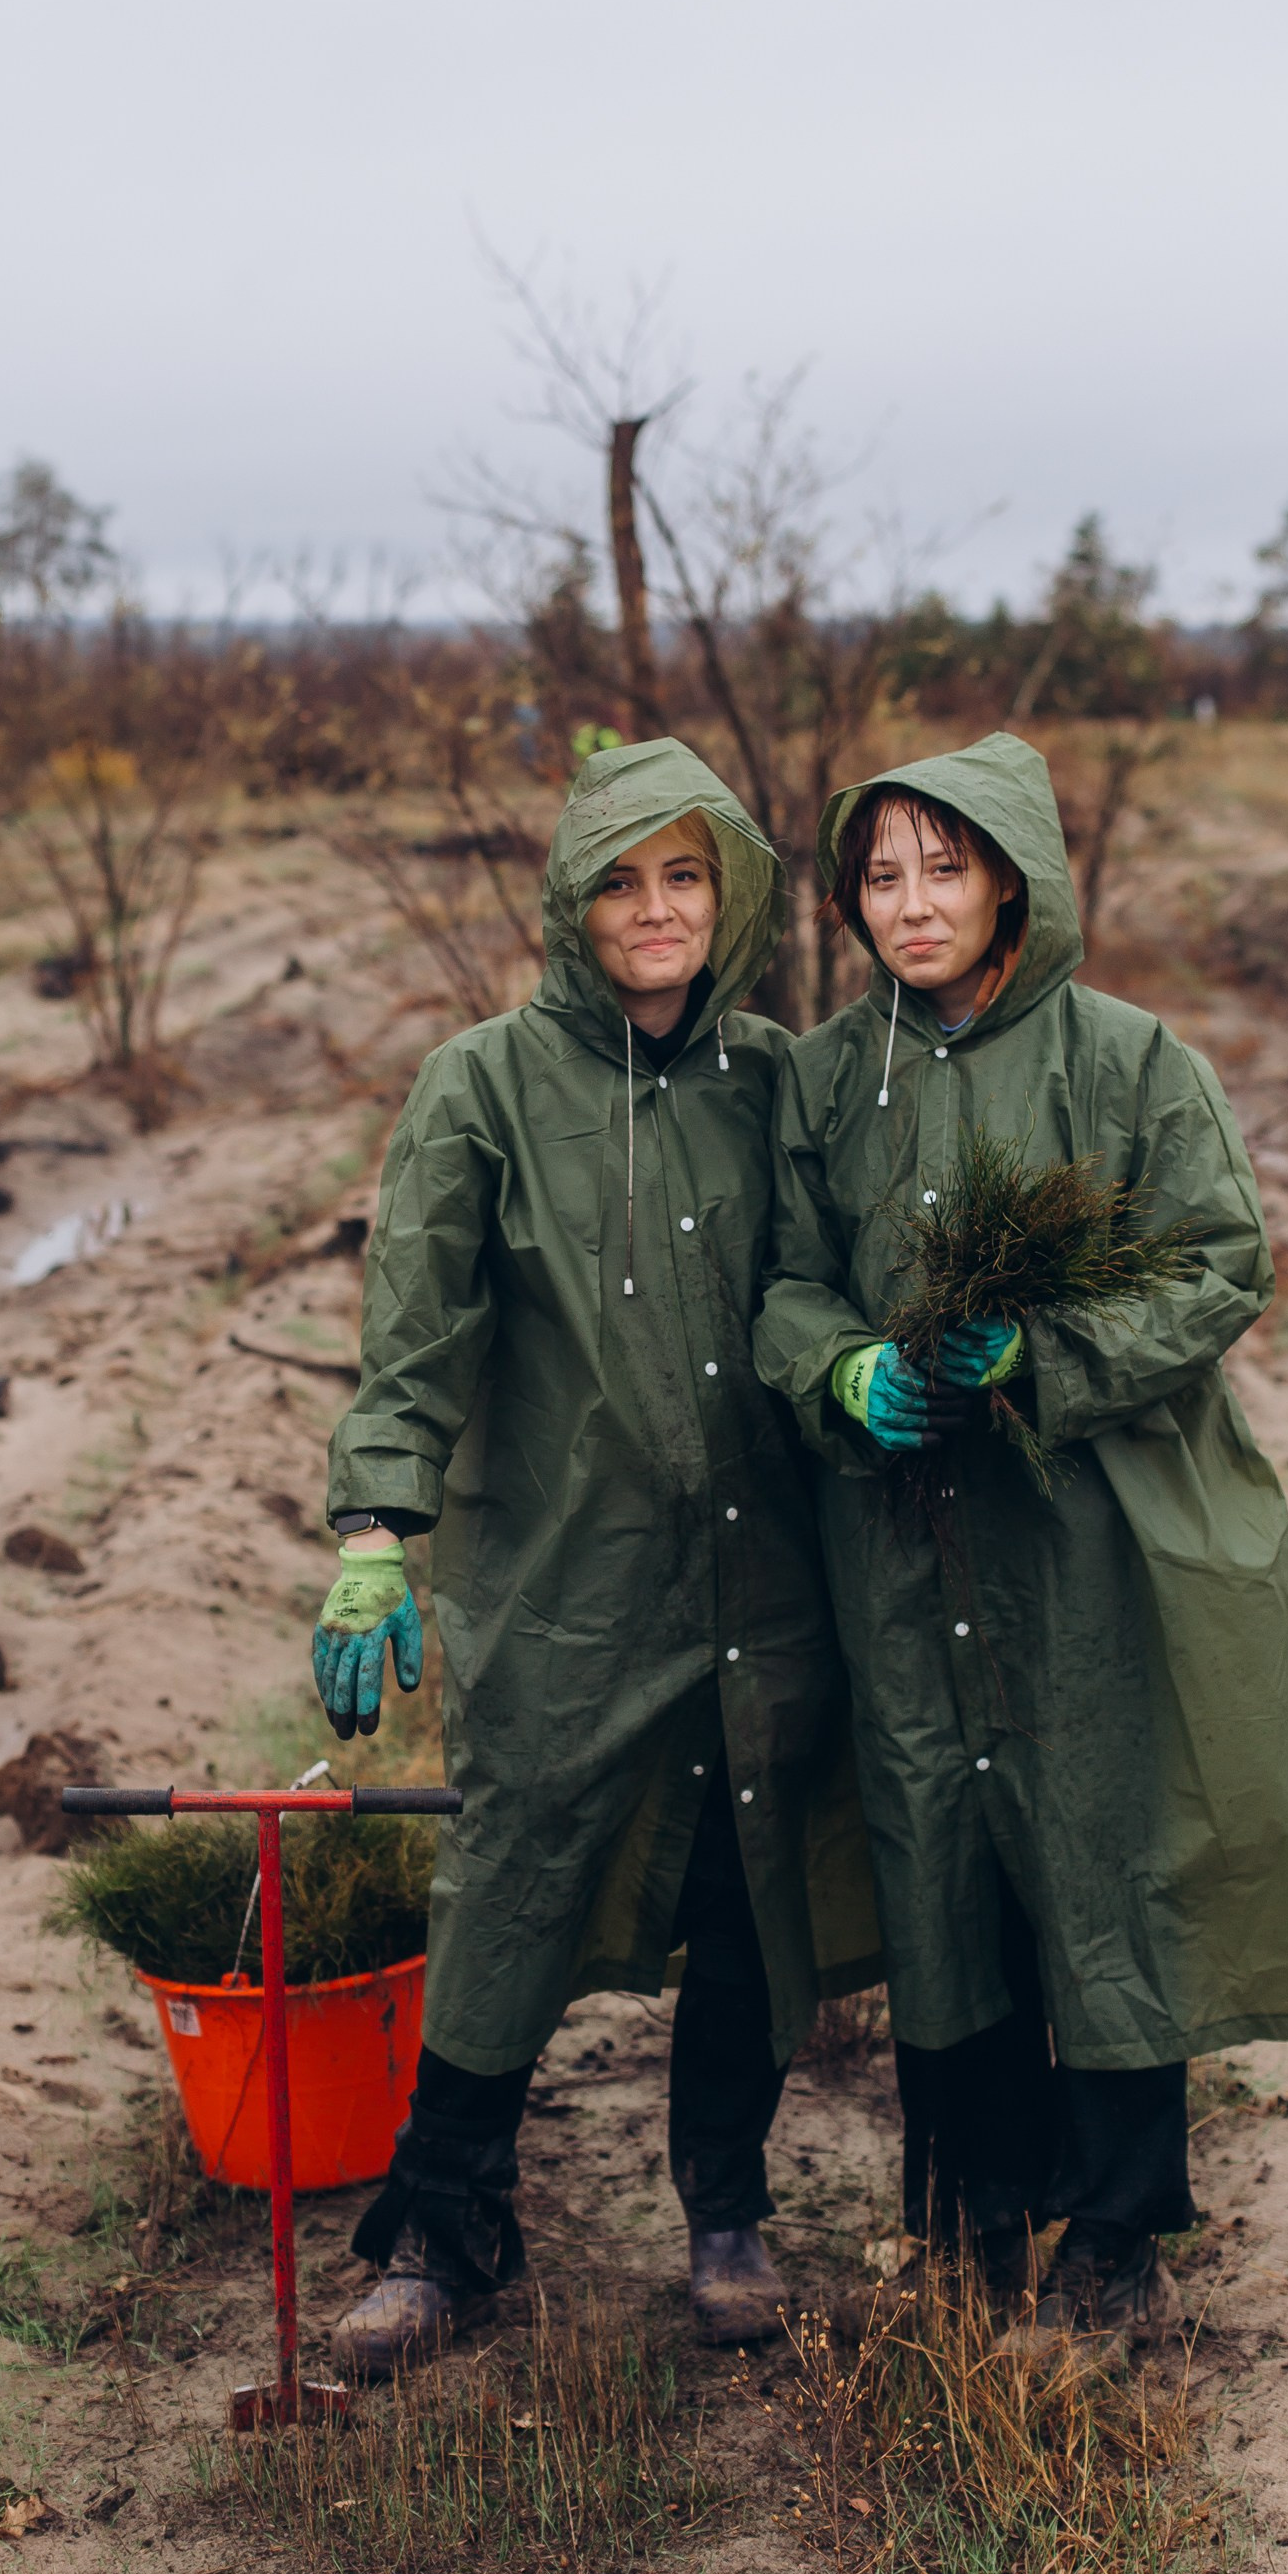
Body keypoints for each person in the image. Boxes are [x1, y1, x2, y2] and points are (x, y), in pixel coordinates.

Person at [753, 732, 1288, 2351]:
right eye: (881, 874)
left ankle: (1114, 2233)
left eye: (943, 865)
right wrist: (842, 1367)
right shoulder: (827, 1079)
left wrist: (1047, 1358)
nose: (911, 902)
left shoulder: (1130, 1059)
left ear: (1012, 870)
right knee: (940, 1854)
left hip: (1083, 1533)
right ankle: (965, 2214)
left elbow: (1221, 1262)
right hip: (904, 1539)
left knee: (1099, 1847)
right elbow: (786, 1284)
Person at [314, 737, 878, 2373]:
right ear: (572, 902)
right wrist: (374, 1536)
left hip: (760, 1578)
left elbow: (821, 1290)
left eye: (686, 876)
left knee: (744, 1885)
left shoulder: (776, 1077)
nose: (656, 910)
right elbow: (414, 1342)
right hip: (564, 1579)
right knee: (513, 1877)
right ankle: (445, 2231)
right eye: (622, 879)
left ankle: (726, 2211)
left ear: (732, 895)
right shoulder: (480, 1085)